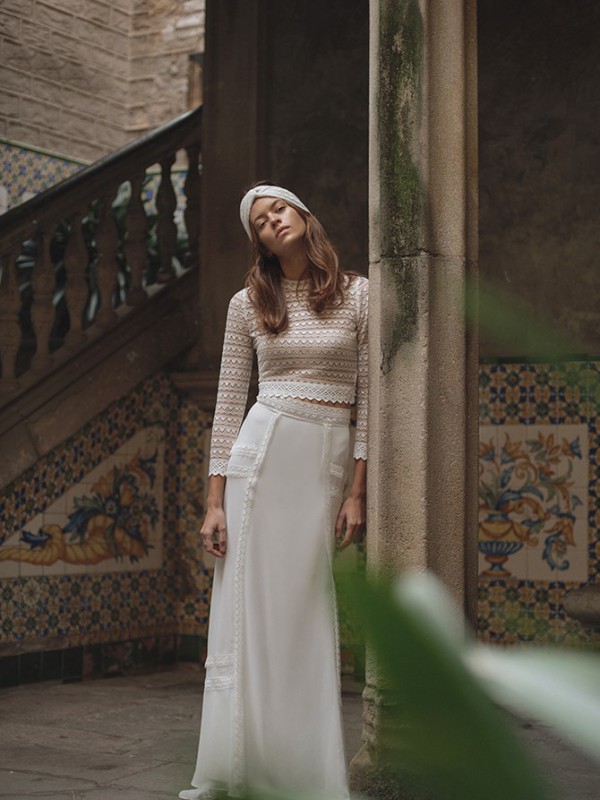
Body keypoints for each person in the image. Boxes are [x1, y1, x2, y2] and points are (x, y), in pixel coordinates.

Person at [179, 183, 368, 800]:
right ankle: (235, 768)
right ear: (258, 241)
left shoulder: (359, 295)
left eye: (278, 210)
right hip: (259, 464)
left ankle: (306, 775)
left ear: (304, 215)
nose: (271, 223)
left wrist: (356, 491)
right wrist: (214, 502)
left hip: (323, 461)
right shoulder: (247, 303)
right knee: (245, 615)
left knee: (306, 615)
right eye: (259, 222)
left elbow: (369, 404)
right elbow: (229, 404)